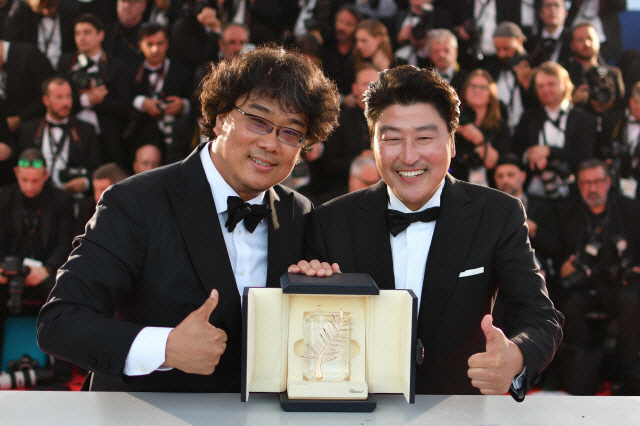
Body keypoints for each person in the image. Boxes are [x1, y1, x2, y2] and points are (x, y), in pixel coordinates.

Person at [37, 45, 340, 392]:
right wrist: (164, 348)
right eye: (258, 121)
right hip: (144, 411)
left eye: (290, 132)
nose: (271, 144)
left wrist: (319, 292)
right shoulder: (135, 201)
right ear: (222, 117)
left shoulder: (298, 211)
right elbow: (60, 322)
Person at [290, 65, 563, 400]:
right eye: (392, 138)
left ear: (452, 142)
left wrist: (517, 356)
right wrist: (307, 287)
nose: (409, 156)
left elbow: (539, 315)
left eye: (424, 137)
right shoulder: (329, 220)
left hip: (458, 409)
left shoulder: (497, 214)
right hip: (358, 409)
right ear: (373, 143)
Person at [555, 159, 640, 395]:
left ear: (609, 182)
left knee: (631, 303)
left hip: (620, 284)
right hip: (582, 286)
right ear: (578, 185)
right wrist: (562, 266)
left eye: (598, 182)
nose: (592, 188)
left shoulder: (630, 210)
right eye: (586, 183)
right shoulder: (567, 212)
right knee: (568, 305)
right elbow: (555, 250)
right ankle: (585, 371)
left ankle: (629, 374)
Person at [0, 148, 74, 351]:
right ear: (16, 173)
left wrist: (47, 269)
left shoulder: (62, 200)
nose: (29, 186)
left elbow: (66, 242)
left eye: (35, 181)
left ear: (46, 175)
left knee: (62, 297)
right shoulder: (4, 197)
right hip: (8, 270)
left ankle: (61, 363)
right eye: (24, 180)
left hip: (46, 270)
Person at [513, 61, 598, 199]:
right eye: (540, 86)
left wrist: (549, 151)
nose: (545, 90)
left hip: (573, 195)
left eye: (551, 84)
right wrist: (529, 156)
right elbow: (516, 150)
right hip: (534, 195)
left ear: (565, 85)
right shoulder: (529, 117)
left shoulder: (584, 119)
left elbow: (585, 157)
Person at [57, 13, 131, 166]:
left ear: (101, 35)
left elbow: (124, 106)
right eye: (77, 33)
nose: (81, 38)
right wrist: (87, 99)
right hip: (72, 137)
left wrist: (99, 101)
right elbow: (57, 100)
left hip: (107, 139)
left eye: (87, 32)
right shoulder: (66, 63)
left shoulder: (116, 65)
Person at [17, 77, 102, 196]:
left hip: (72, 198)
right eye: (59, 97)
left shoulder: (86, 130)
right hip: (37, 196)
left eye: (68, 97)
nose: (65, 103)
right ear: (46, 100)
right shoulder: (29, 129)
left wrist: (85, 182)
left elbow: (97, 168)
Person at [124, 23, 193, 165]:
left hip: (175, 143)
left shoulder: (182, 71)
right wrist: (141, 103)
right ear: (140, 45)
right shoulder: (130, 71)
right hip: (140, 138)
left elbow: (195, 100)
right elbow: (122, 99)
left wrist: (182, 105)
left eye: (160, 44)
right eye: (149, 44)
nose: (155, 50)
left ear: (167, 43)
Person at [0, 39, 54, 185]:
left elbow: (48, 92)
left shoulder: (28, 54)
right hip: (7, 140)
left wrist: (20, 119)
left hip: (34, 132)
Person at [451, 69, 510, 186]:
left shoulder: (500, 127)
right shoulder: (453, 120)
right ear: (465, 91)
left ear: (490, 95)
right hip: (456, 184)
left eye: (483, 88)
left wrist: (479, 140)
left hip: (491, 187)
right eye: (473, 86)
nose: (477, 91)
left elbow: (493, 163)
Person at [562, 22, 625, 119]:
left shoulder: (613, 73)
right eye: (580, 40)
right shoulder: (563, 73)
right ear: (572, 45)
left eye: (590, 38)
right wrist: (571, 101)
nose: (587, 44)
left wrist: (609, 105)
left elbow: (623, 107)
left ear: (598, 41)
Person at [3, 0, 77, 70]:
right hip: (34, 67)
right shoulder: (24, 15)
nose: (46, 12)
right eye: (42, 7)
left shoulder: (69, 13)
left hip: (61, 67)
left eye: (50, 6)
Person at [599, 81, 640, 199]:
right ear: (632, 102)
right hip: (614, 186)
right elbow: (598, 149)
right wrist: (604, 163)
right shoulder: (611, 120)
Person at [527, 0, 573, 68]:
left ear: (566, 13)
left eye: (557, 5)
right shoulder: (531, 41)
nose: (552, 9)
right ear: (540, 13)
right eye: (548, 5)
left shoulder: (572, 40)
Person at [426, 28, 468, 94]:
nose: (441, 55)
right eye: (436, 51)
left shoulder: (467, 80)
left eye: (446, 50)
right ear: (430, 54)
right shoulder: (424, 79)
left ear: (456, 51)